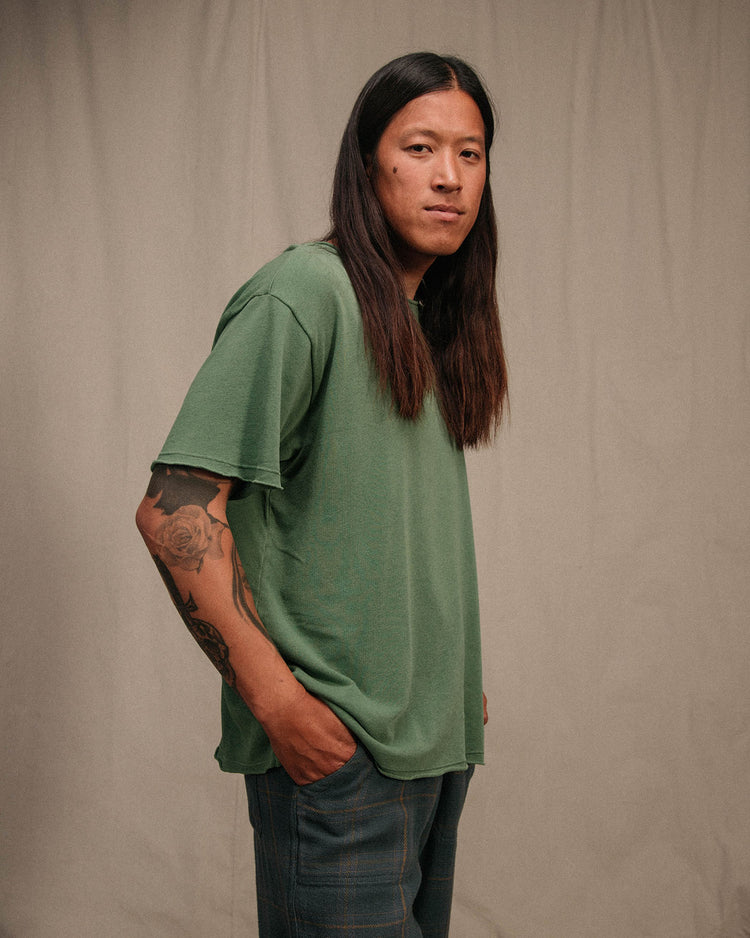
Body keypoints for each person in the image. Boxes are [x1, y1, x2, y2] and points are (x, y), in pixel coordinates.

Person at [136, 51, 507, 937]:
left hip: (429, 749)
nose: (450, 177)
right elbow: (174, 506)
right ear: (367, 163)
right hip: (343, 759)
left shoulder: (425, 318)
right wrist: (277, 701)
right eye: (420, 147)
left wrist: (447, 688)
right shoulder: (304, 292)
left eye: (471, 153)